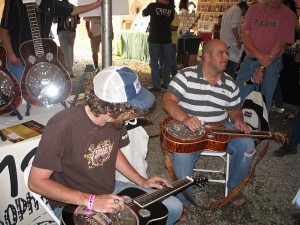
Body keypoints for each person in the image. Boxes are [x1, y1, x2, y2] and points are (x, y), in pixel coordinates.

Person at [28, 66, 183, 224]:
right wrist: (91, 201)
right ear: (113, 106)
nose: (133, 112)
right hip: (73, 201)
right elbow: (36, 182)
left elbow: (112, 150)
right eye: (131, 108)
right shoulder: (62, 126)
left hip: (110, 190)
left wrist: (141, 180)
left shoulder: (115, 119)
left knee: (175, 207)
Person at [162, 39, 255, 221]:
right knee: (181, 155)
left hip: (220, 127)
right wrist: (186, 118)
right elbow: (167, 101)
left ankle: (234, 188)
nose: (226, 57)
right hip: (189, 128)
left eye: (227, 53)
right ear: (207, 56)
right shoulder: (186, 75)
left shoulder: (230, 83)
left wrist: (238, 120)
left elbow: (235, 109)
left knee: (248, 145)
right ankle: (184, 201)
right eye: (221, 53)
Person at [0, 0, 103, 84]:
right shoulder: (13, 1)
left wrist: (97, 4)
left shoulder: (49, 2)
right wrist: (11, 56)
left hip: (41, 60)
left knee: (38, 96)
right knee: (21, 99)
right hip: (19, 61)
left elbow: (72, 10)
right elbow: (4, 30)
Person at [235, 0, 295, 113]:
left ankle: (259, 127)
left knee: (263, 99)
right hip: (250, 62)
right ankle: (236, 123)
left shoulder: (288, 15)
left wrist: (261, 67)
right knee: (242, 89)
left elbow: (280, 43)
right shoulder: (254, 9)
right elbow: (245, 35)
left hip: (271, 65)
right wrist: (259, 56)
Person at [271, 0, 300, 114]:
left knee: (275, 76)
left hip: (283, 50)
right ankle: (278, 102)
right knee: (275, 76)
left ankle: (278, 103)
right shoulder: (287, 15)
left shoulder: (289, 15)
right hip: (281, 50)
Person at [142, 0, 175, 92]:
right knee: (167, 63)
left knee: (154, 63)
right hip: (167, 39)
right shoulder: (171, 9)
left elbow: (144, 13)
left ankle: (156, 86)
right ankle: (165, 83)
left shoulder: (153, 6)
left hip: (154, 39)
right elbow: (170, 20)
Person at [220, 1, 248, 79]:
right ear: (244, 9)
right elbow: (234, 27)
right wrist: (238, 41)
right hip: (231, 43)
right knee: (231, 68)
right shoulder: (237, 10)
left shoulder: (229, 10)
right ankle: (229, 86)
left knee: (225, 67)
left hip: (225, 42)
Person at [53, 0, 80, 79]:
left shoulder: (59, 7)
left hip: (62, 31)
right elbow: (78, 21)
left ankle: (69, 71)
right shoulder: (73, 7)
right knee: (70, 49)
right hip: (72, 32)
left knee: (65, 51)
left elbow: (54, 21)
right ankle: (70, 69)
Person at [170, 0, 179, 77]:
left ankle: (174, 74)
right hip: (165, 40)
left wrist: (163, 26)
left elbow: (175, 27)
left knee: (172, 58)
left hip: (172, 40)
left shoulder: (173, 12)